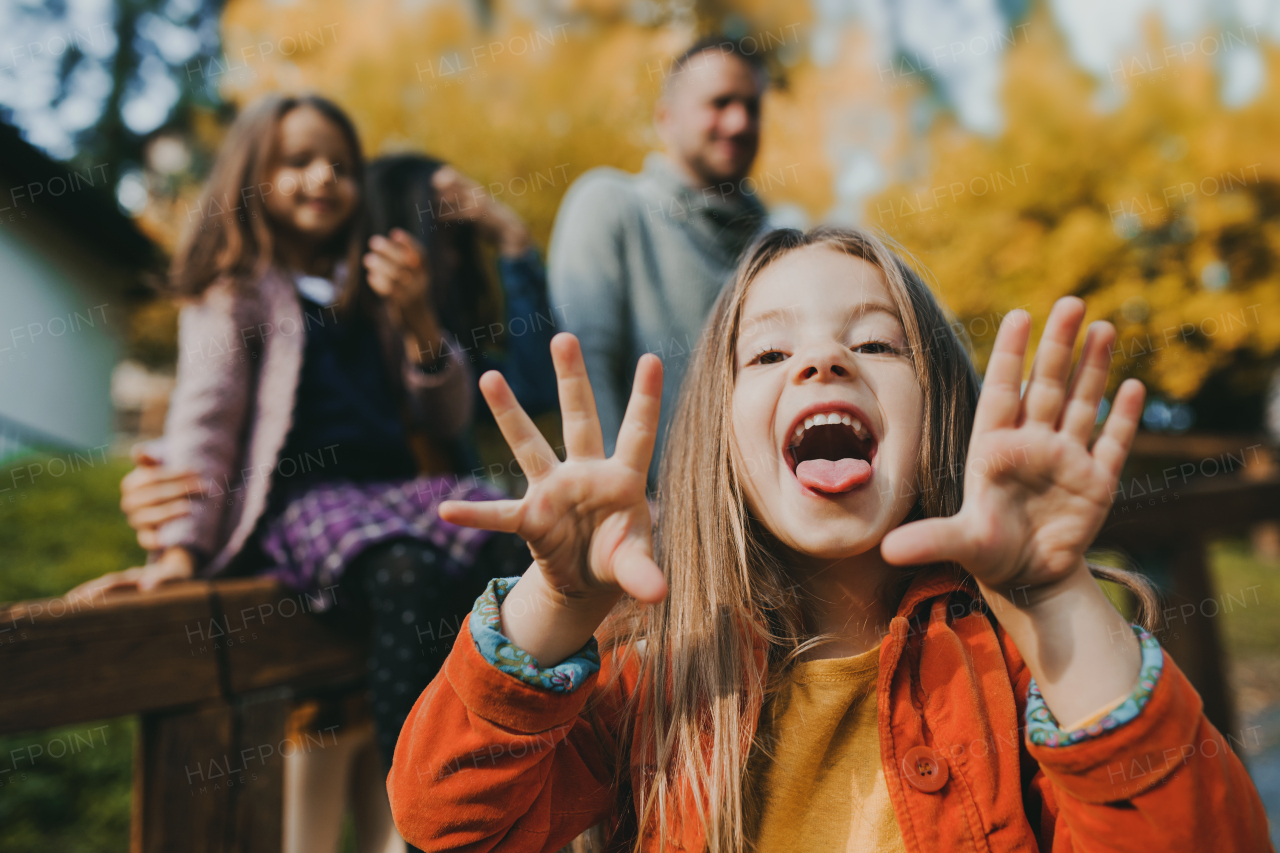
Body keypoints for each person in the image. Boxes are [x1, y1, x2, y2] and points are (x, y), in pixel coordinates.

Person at [386, 226, 1270, 851]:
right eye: (769, 356)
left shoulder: (1029, 677)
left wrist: (1055, 598)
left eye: (877, 344)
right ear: (719, 446)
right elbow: (449, 822)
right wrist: (558, 603)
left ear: (944, 422)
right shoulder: (653, 681)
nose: (823, 361)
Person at [68, 94, 540, 850]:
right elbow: (205, 422)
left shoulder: (375, 286)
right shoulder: (237, 291)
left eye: (342, 166)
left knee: (510, 537)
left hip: (403, 491)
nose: (323, 176)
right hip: (309, 502)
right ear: (253, 176)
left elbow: (446, 417)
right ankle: (423, 805)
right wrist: (180, 551)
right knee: (404, 576)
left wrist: (421, 322)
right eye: (298, 162)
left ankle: (511, 766)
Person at [548, 35, 768, 485]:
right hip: (643, 521)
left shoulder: (777, 246)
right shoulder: (611, 206)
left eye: (752, 106)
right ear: (665, 118)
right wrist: (614, 501)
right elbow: (587, 362)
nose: (739, 121)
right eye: (720, 102)